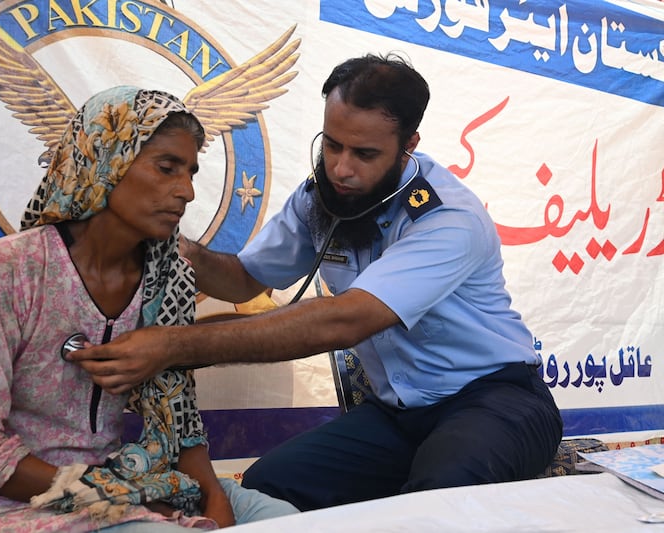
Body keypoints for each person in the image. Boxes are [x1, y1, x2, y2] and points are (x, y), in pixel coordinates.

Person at [64, 55, 564, 511]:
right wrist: (174, 246)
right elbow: (241, 279)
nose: (341, 169)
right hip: (397, 416)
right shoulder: (320, 199)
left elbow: (344, 320)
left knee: (437, 501)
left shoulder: (448, 218)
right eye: (331, 144)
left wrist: (173, 346)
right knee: (266, 491)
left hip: (494, 400)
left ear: (408, 146)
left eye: (364, 154)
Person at [0, 85, 298, 533]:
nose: (187, 191)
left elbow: (179, 417)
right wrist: (119, 501)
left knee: (286, 522)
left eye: (191, 172)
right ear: (106, 159)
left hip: (120, 479)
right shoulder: (10, 267)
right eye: (167, 168)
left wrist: (212, 495)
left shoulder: (168, 277)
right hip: (2, 499)